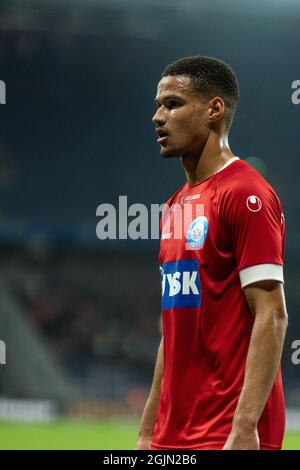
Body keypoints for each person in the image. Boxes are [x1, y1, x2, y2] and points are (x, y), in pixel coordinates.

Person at [136, 56, 288, 450]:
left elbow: (272, 314)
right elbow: (171, 334)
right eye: (157, 105)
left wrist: (244, 428)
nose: (157, 117)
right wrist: (147, 431)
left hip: (226, 433)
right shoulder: (173, 208)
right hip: (172, 436)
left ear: (214, 110)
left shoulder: (246, 194)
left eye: (172, 104)